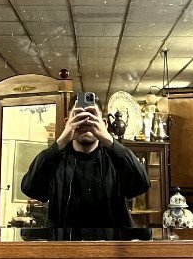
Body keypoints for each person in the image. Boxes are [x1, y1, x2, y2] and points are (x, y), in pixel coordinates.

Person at [20, 101, 150, 239]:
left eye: (92, 117)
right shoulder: (55, 160)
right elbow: (31, 188)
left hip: (113, 252)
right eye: (78, 117)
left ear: (104, 124)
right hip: (64, 252)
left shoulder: (116, 158)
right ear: (67, 123)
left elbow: (142, 184)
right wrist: (61, 142)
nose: (86, 122)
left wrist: (109, 140)